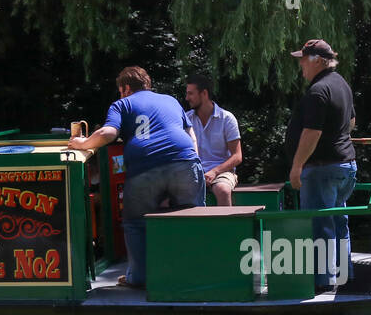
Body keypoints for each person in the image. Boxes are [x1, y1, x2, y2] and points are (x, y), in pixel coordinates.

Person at [70, 66, 203, 288]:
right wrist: (193, 161)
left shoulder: (122, 104)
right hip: (185, 162)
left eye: (120, 90)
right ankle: (193, 273)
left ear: (125, 88)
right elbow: (190, 134)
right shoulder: (171, 100)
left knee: (135, 223)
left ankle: (139, 278)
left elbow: (108, 133)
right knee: (192, 217)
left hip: (145, 168)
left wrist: (82, 143)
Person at [285, 39, 356, 292]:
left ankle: (323, 285)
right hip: (346, 166)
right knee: (338, 221)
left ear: (316, 60)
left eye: (303, 59)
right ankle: (345, 275)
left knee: (319, 225)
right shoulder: (342, 85)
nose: (301, 65)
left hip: (321, 170)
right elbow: (351, 123)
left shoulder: (317, 91)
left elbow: (312, 132)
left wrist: (297, 166)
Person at [184, 74, 243, 205]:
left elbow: (237, 156)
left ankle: (225, 226)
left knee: (223, 190)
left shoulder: (227, 118)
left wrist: (214, 171)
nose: (187, 98)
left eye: (190, 94)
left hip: (221, 172)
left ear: (204, 93)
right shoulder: (186, 119)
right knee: (167, 192)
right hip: (193, 172)